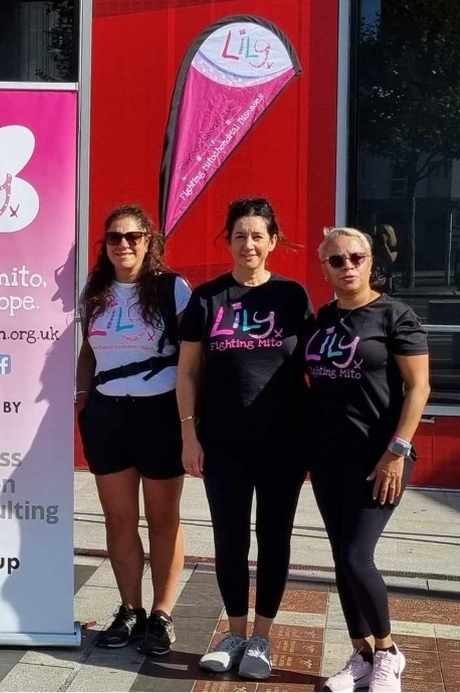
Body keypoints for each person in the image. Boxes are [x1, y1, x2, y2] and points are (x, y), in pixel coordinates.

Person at [176, 197, 312, 681]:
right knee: (229, 540)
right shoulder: (207, 298)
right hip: (223, 444)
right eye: (239, 235)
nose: (248, 244)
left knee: (274, 540)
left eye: (258, 235)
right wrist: (189, 435)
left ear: (273, 241)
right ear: (228, 242)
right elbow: (188, 372)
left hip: (284, 445)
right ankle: (233, 632)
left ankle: (263, 638)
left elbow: (315, 372)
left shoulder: (293, 297)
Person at [308, 227, 430, 693]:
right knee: (342, 558)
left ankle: (388, 652)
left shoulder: (395, 315)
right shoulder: (322, 318)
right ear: (325, 269)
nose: (347, 267)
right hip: (328, 458)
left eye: (355, 257)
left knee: (359, 556)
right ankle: (361, 654)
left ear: (369, 260)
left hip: (380, 457)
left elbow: (419, 387)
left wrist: (397, 450)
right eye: (335, 261)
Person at [76, 204, 190, 656]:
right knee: (119, 518)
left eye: (133, 236)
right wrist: (82, 400)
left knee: (163, 518)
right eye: (114, 237)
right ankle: (130, 608)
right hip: (107, 414)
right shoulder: (96, 289)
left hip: (159, 412)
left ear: (149, 240)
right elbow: (88, 349)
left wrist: (189, 418)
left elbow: (192, 357)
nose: (123, 244)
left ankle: (161, 613)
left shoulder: (171, 288)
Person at [371, 223, 398, 294]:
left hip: (387, 274)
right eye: (381, 233)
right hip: (376, 273)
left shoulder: (392, 248)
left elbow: (391, 260)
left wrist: (385, 245)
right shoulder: (376, 246)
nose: (383, 235)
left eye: (385, 233)